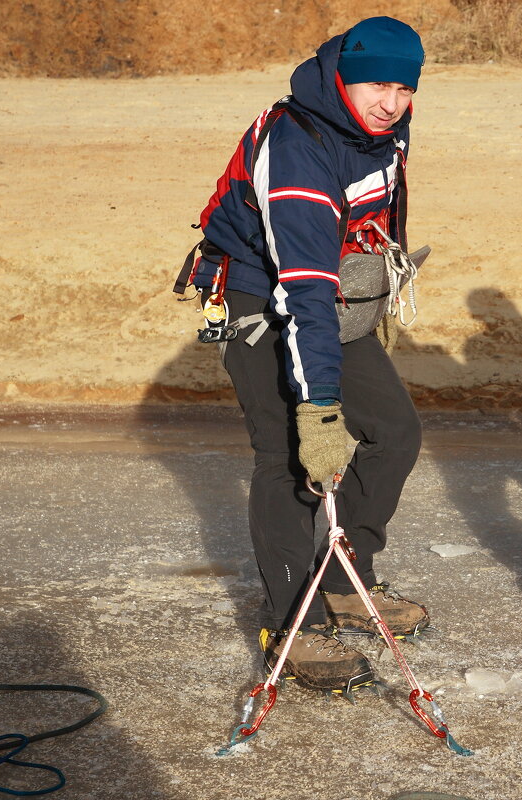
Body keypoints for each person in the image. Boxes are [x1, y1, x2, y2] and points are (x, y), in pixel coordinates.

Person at [186, 17, 430, 692]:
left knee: (395, 431)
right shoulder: (299, 147)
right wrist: (319, 409)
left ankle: (346, 576)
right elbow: (303, 292)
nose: (390, 100)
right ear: (344, 77)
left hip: (328, 294)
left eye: (403, 87)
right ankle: (292, 621)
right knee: (289, 452)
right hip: (255, 294)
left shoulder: (384, 127)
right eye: (377, 83)